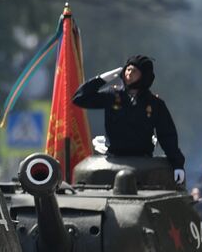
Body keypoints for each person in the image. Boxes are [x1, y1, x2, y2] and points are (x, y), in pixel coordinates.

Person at [72, 55, 186, 185]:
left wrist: (177, 164)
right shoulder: (112, 96)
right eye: (128, 69)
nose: (129, 74)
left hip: (143, 163)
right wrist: (102, 79)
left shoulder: (154, 104)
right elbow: (80, 98)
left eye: (135, 71)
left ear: (144, 76)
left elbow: (167, 135)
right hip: (113, 160)